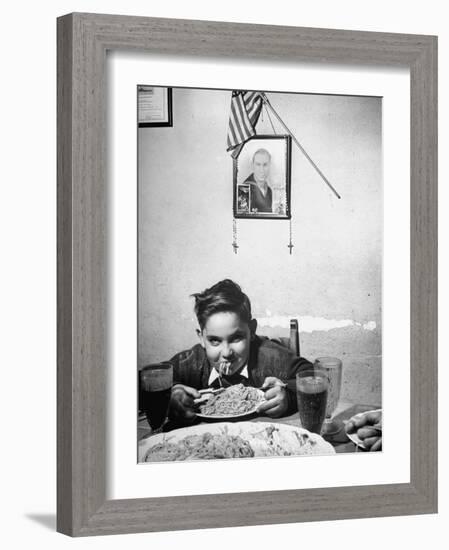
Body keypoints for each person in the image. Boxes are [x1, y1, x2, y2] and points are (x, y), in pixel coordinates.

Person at [168, 279, 312, 426]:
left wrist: (289, 396)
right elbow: (147, 381)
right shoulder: (194, 361)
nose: (226, 353)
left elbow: (315, 375)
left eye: (236, 338)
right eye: (214, 341)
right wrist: (171, 393)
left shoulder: (270, 357)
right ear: (202, 338)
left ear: (252, 331)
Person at [244, 148, 273, 213]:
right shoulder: (244, 190)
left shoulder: (269, 191)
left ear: (269, 166)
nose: (261, 170)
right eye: (258, 164)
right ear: (252, 165)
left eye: (265, 165)